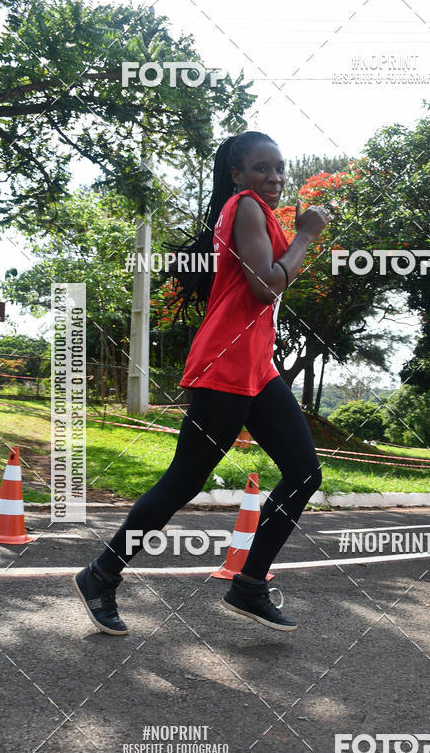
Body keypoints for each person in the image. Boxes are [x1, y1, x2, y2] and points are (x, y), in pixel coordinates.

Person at [73, 131, 331, 635]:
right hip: (225, 366)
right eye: (262, 168)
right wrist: (306, 237)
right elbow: (264, 287)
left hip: (258, 367)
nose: (274, 177)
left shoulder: (254, 211)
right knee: (184, 481)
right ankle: (101, 575)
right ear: (238, 175)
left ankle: (249, 585)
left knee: (303, 474)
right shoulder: (246, 205)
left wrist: (294, 238)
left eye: (280, 168)